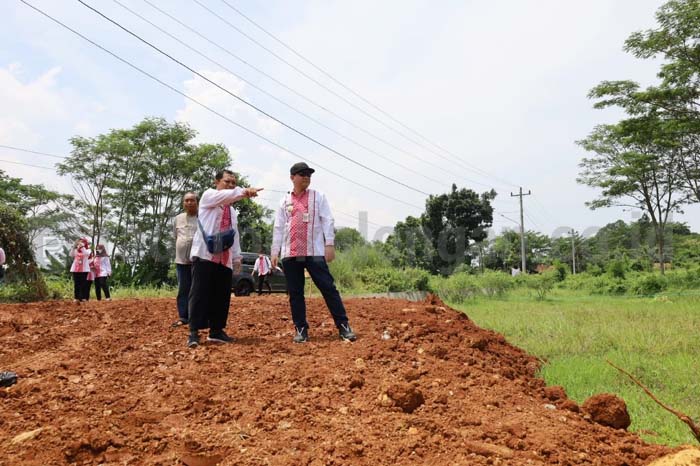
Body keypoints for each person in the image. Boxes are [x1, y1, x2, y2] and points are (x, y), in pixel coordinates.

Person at [271, 162, 357, 343]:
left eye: (309, 174)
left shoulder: (318, 197)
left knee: (328, 288)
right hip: (291, 253)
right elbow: (278, 227)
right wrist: (274, 251)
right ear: (292, 177)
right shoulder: (284, 201)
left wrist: (330, 244)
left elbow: (327, 220)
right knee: (295, 293)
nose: (306, 177)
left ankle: (343, 326)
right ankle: (301, 329)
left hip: (314, 252)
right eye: (302, 174)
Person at [187, 170, 262, 348]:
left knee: (221, 295)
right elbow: (229, 195)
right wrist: (244, 191)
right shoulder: (209, 197)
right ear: (217, 182)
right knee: (199, 293)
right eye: (227, 181)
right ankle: (193, 332)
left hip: (224, 258)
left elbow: (234, 236)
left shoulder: (233, 212)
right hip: (205, 255)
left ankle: (216, 330)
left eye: (233, 183)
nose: (230, 185)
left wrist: (237, 258)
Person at [172, 192, 198, 327]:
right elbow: (176, 237)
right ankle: (183, 317)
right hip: (181, 261)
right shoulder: (178, 218)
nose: (189, 203)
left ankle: (197, 317)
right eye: (186, 200)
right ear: (183, 203)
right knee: (183, 289)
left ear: (197, 202)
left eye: (192, 200)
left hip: (198, 262)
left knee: (197, 290)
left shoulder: (202, 218)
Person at [69, 238, 91, 302]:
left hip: (84, 270)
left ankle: (83, 297)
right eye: (80, 242)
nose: (80, 243)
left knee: (83, 283)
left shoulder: (88, 250)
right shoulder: (76, 250)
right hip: (76, 269)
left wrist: (82, 247)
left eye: (82, 242)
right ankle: (76, 297)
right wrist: (74, 247)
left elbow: (86, 254)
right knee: (76, 283)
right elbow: (71, 254)